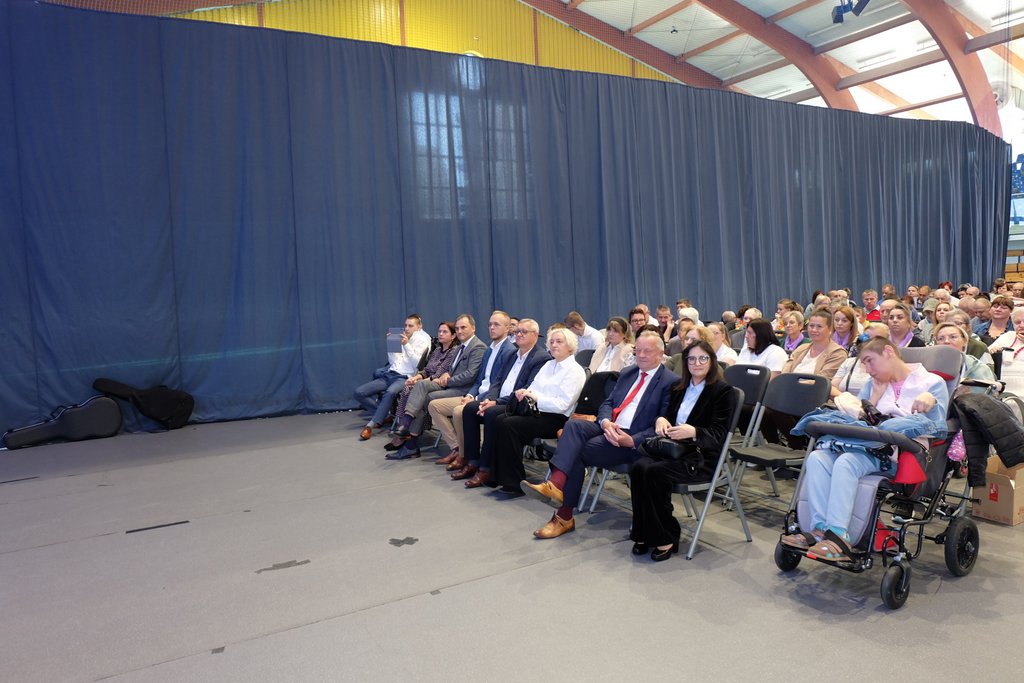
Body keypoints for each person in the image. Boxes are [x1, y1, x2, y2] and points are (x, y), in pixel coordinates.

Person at [782, 338, 948, 560]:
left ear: (888, 352)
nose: (868, 370)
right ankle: (820, 528)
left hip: (901, 453)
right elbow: (861, 423)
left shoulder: (932, 383)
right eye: (864, 364)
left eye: (870, 361)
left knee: (846, 462)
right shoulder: (873, 384)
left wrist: (932, 402)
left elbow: (939, 427)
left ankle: (838, 536)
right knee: (817, 458)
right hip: (866, 445)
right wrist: (874, 399)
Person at [520, 331, 679, 538]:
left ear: (660, 353)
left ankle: (563, 514)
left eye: (646, 351)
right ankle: (555, 486)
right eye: (637, 350)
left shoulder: (671, 382)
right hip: (609, 427)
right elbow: (608, 403)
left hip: (633, 439)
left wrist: (632, 440)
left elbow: (664, 422)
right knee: (574, 426)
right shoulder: (628, 372)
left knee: (575, 451)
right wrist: (605, 421)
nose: (640, 355)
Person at [629, 340, 738, 561]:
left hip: (701, 457)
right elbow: (668, 416)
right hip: (674, 450)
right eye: (692, 359)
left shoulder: (723, 392)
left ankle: (666, 535)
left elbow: (719, 435)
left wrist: (694, 431)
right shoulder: (679, 388)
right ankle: (643, 533)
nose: (697, 363)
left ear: (712, 361)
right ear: (685, 362)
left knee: (654, 472)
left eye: (703, 358)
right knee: (638, 467)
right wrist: (661, 420)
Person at [465, 327, 587, 494]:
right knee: (499, 419)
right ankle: (497, 475)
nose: (554, 345)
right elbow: (533, 387)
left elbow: (562, 405)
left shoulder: (575, 370)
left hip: (555, 418)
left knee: (509, 424)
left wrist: (535, 397)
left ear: (570, 346)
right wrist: (525, 392)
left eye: (559, 342)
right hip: (535, 411)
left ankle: (513, 481)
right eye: (551, 342)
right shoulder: (549, 365)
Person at [449, 319, 550, 480]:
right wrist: (489, 399)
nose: (519, 335)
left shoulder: (540, 358)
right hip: (498, 400)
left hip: (516, 404)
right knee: (470, 409)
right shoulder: (512, 354)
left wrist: (495, 403)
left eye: (524, 332)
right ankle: (473, 461)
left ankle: (486, 468)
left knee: (491, 413)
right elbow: (497, 381)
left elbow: (526, 389)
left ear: (536, 335)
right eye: (517, 331)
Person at [388, 314, 486, 456]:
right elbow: (449, 369)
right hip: (448, 384)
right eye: (457, 328)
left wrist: (447, 379)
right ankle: (409, 438)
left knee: (421, 393)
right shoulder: (460, 347)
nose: (459, 331)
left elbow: (470, 375)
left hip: (462, 390)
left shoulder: (477, 347)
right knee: (420, 390)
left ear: (473, 328)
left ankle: (408, 433)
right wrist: (447, 374)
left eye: (463, 327)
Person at [429, 311, 515, 466]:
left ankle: (466, 457)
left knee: (459, 411)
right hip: (475, 394)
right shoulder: (489, 350)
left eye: (496, 324)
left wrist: (476, 398)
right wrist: (470, 395)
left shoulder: (508, 351)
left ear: (508, 328)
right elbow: (479, 380)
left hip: (490, 399)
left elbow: (498, 385)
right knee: (434, 405)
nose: (491, 327)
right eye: (490, 324)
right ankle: (458, 450)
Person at [759, 310, 846, 447]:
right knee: (764, 406)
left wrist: (791, 385)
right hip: (791, 394)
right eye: (811, 326)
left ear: (830, 329)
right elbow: (785, 372)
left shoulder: (837, 353)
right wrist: (788, 385)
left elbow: (821, 381)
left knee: (776, 406)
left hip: (815, 398)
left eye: (819, 326)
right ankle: (775, 445)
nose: (814, 330)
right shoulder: (802, 349)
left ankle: (797, 445)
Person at [384, 321, 460, 454]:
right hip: (427, 382)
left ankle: (404, 429)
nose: (441, 334)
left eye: (445, 332)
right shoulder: (437, 350)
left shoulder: (453, 352)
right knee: (408, 388)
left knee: (417, 389)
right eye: (439, 331)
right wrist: (416, 377)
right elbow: (426, 370)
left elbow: (439, 374)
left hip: (440, 383)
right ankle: (407, 435)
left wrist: (420, 381)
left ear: (453, 336)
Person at [354, 314, 432, 440]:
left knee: (390, 392)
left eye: (410, 326)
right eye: (405, 325)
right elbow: (394, 362)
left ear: (419, 327)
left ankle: (371, 425)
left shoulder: (422, 340)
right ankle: (385, 415)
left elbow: (417, 364)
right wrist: (391, 346)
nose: (406, 328)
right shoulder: (401, 337)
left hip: (405, 377)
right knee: (359, 393)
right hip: (390, 374)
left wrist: (406, 345)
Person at [830, 322, 890, 397]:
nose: (868, 343)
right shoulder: (849, 362)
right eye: (866, 338)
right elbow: (833, 387)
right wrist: (846, 399)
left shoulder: (889, 366)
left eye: (875, 339)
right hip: (844, 401)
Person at [987, 307, 1024, 395]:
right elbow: (986, 355)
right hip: (1002, 388)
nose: (1022, 325)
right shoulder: (1008, 336)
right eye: (1017, 322)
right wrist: (992, 352)